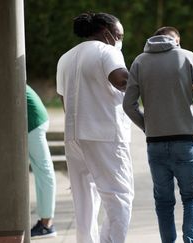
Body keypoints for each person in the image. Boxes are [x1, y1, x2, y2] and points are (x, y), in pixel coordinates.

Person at [123, 26, 193, 243]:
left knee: (164, 201)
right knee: (192, 197)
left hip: (155, 143)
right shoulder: (188, 57)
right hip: (185, 141)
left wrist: (148, 126)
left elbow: (128, 105)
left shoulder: (139, 61)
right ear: (177, 40)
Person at [56, 12, 133, 243]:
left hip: (74, 136)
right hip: (105, 134)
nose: (120, 40)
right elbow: (122, 80)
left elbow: (63, 100)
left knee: (84, 202)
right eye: (119, 35)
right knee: (120, 196)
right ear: (107, 33)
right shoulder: (107, 52)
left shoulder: (65, 58)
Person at [26, 84, 57, 239]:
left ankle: (47, 225)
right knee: (44, 171)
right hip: (34, 120)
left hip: (34, 123)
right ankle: (46, 223)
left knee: (44, 171)